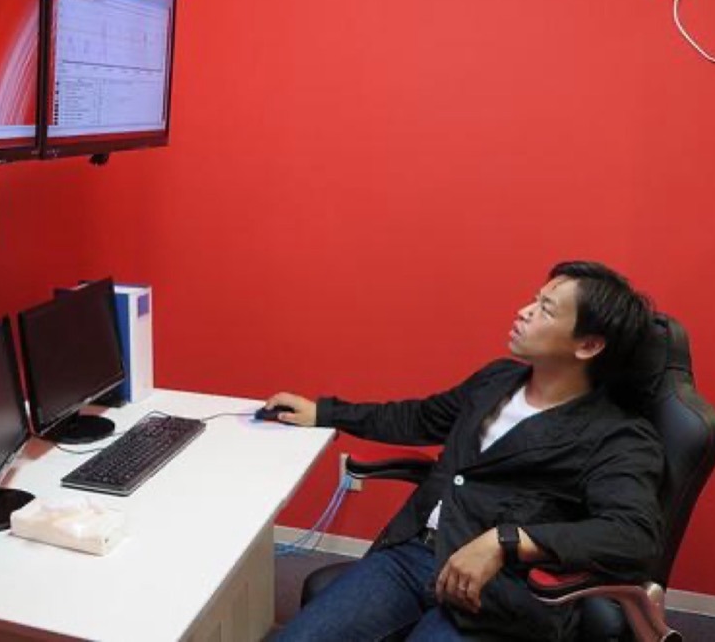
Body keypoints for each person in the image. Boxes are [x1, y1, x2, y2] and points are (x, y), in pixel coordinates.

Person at [270, 261, 663, 641]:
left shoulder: (618, 436)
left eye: (545, 309)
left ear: (588, 345)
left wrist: (504, 541)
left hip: (501, 591)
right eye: (534, 299)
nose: (524, 312)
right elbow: (420, 417)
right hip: (413, 557)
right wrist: (325, 412)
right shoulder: (497, 380)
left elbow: (633, 535)